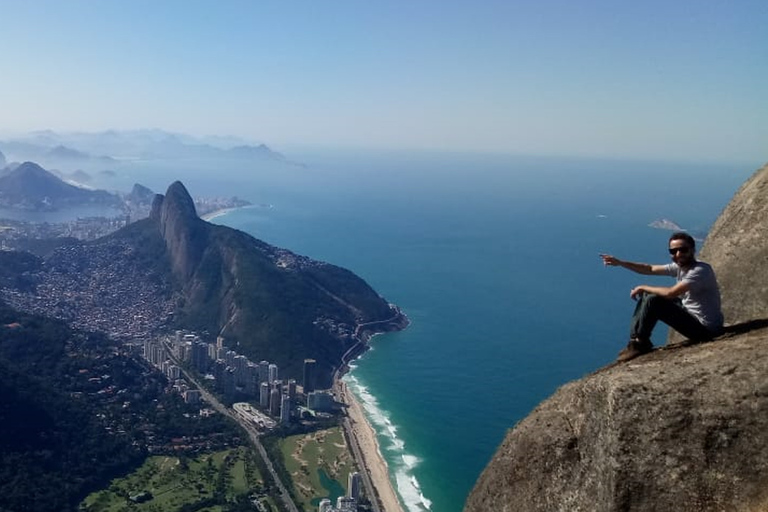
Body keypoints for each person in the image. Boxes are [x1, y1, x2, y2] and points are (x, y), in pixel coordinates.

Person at [600, 231, 724, 362]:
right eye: (673, 251)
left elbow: (671, 293)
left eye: (683, 250)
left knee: (654, 300)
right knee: (649, 296)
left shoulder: (700, 270)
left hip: (706, 329)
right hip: (691, 315)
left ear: (692, 250)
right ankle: (635, 341)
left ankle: (641, 343)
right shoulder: (680, 267)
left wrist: (643, 287)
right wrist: (620, 263)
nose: (678, 254)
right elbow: (650, 269)